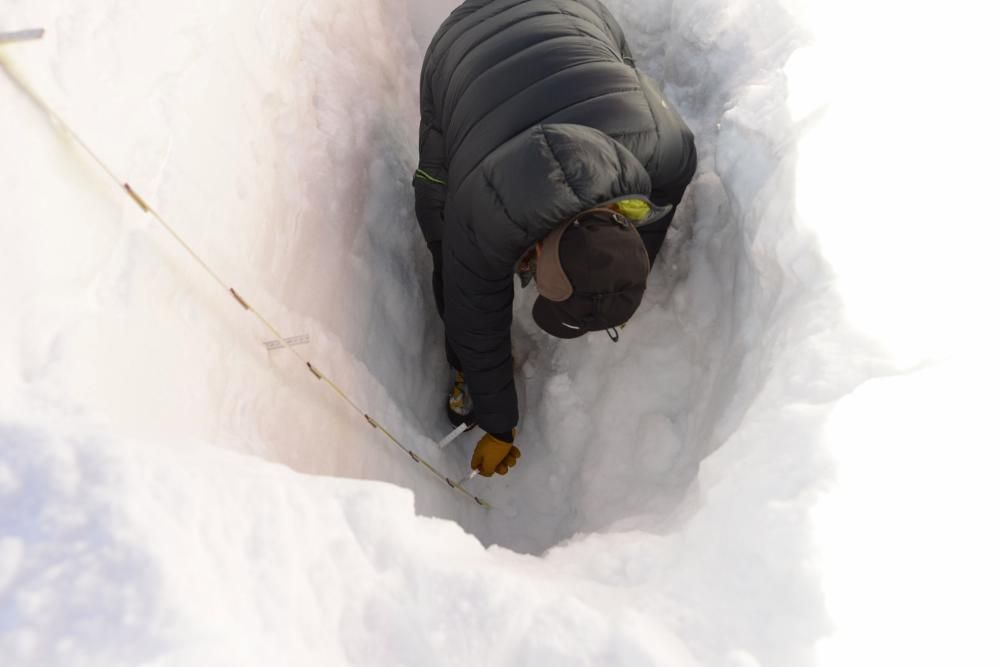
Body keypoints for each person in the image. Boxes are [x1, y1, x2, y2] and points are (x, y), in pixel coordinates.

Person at [413, 0, 697, 478]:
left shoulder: (666, 148)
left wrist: (622, 275)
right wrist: (498, 423)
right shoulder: (484, 212)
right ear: (534, 252)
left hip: (571, 10)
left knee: (623, 71)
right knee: (438, 208)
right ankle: (457, 370)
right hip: (459, 45)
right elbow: (475, 317)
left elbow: (657, 210)